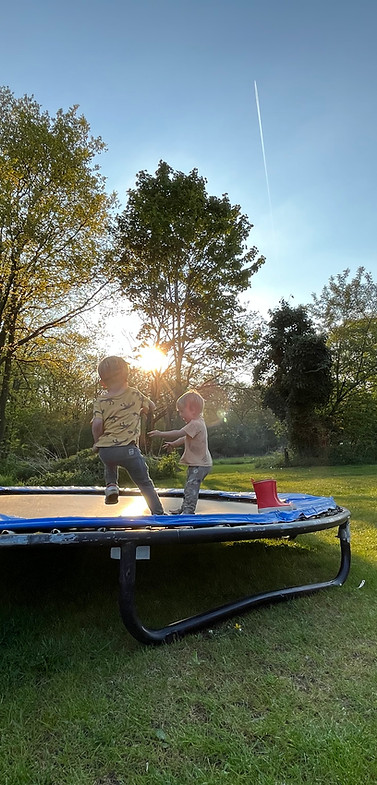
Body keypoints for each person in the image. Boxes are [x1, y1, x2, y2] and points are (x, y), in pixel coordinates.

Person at [91, 355, 164, 513]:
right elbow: (152, 407)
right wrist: (144, 408)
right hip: (128, 450)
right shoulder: (135, 394)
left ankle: (111, 486)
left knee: (110, 463)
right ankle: (158, 513)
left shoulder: (100, 401)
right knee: (144, 483)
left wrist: (97, 442)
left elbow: (97, 424)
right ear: (126, 376)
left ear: (103, 383)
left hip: (106, 451)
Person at [148, 390, 212, 514]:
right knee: (189, 486)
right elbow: (185, 438)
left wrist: (160, 434)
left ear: (193, 410)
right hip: (198, 464)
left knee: (191, 488)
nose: (181, 415)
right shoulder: (197, 423)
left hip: (200, 465)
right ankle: (185, 508)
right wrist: (174, 444)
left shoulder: (196, 423)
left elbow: (179, 433)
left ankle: (189, 510)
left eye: (182, 411)